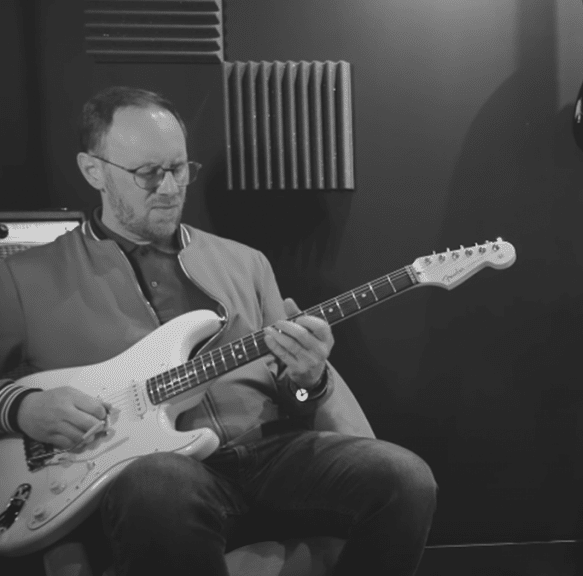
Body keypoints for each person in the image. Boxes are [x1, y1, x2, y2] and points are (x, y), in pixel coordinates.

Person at [0, 86, 437, 576]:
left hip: (269, 458)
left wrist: (307, 380)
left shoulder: (245, 263)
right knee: (159, 483)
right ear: (93, 170)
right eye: (148, 173)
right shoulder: (24, 279)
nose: (169, 188)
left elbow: (297, 403)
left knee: (406, 478)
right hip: (158, 479)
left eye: (180, 169)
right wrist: (23, 407)